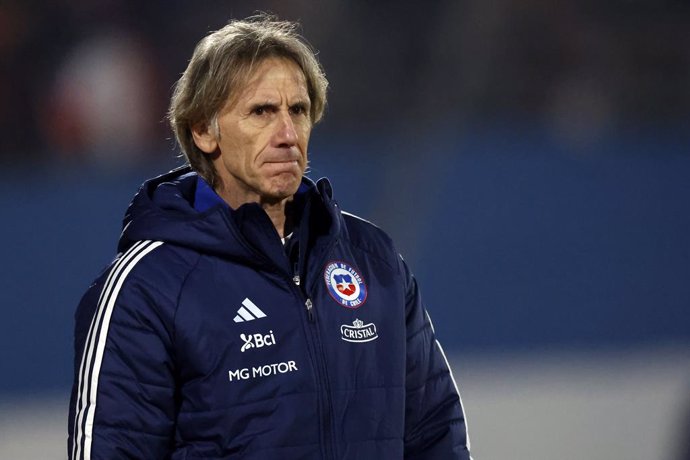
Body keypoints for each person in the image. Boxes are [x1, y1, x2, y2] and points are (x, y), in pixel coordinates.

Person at [68, 14, 472, 460]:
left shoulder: (373, 259)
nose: (286, 135)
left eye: (297, 111)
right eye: (261, 112)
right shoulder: (147, 287)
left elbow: (436, 434)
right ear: (203, 130)